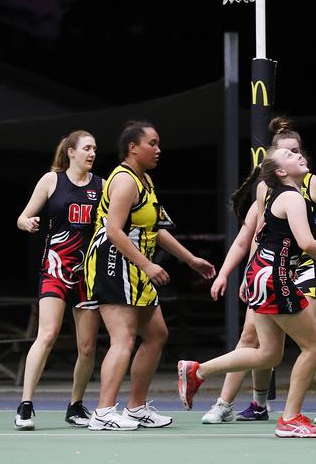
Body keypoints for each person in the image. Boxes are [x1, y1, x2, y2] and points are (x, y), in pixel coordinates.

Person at [178, 146, 316, 438]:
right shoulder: (292, 197)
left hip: (260, 274)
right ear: (281, 172)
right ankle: (290, 418)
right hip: (273, 278)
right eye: (289, 156)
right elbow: (306, 242)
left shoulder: (275, 195)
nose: (297, 155)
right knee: (314, 345)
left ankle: (197, 371)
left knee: (267, 354)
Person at [84, 120, 216, 431]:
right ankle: (103, 412)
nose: (158, 150)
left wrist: (191, 259)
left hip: (135, 264)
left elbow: (155, 229)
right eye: (152, 143)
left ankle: (136, 408)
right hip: (114, 263)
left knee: (156, 335)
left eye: (158, 144)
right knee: (123, 339)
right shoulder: (125, 180)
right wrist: (147, 265)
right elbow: (113, 230)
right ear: (132, 147)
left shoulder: (145, 182)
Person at [15, 130, 103, 430]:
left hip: (87, 275)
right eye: (87, 148)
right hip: (55, 267)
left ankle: (76, 405)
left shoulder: (102, 186)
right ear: (71, 152)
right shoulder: (51, 181)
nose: (92, 153)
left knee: (88, 347)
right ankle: (25, 405)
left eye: (94, 149)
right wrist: (27, 222)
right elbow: (22, 217)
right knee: (48, 334)